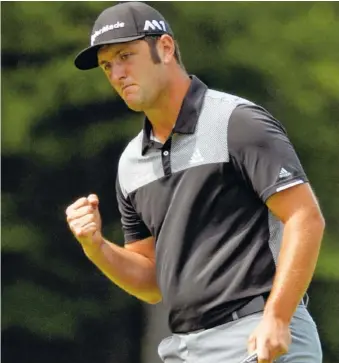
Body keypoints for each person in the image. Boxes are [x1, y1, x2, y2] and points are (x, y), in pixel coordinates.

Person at [66, 2, 325, 363]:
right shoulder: (130, 164)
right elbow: (152, 283)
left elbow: (304, 218)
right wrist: (97, 247)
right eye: (108, 65)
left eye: (127, 55)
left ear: (166, 48)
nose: (117, 73)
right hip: (187, 348)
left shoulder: (236, 122)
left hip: (258, 333)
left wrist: (278, 317)